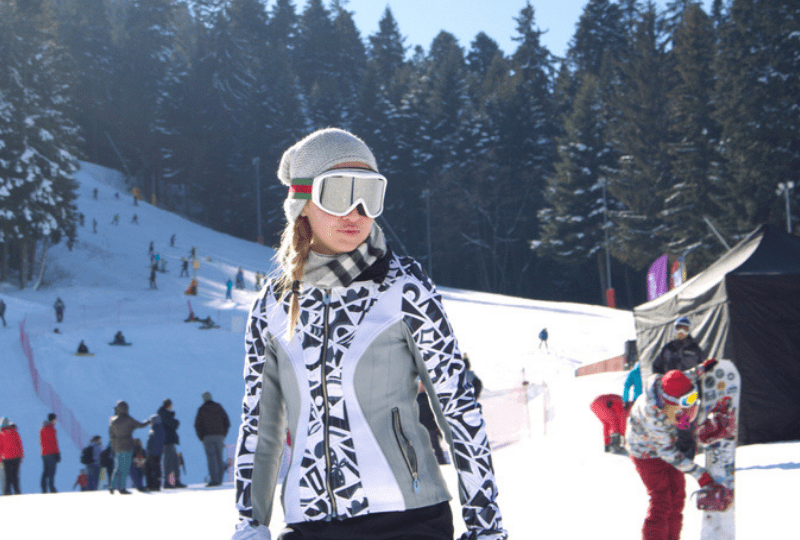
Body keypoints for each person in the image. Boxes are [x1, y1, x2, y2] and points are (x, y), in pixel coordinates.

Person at [230, 128, 506, 540]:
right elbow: (261, 426)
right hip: (309, 522)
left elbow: (457, 407)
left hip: (408, 519)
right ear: (302, 202)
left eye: (370, 194)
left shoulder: (405, 288)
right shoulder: (271, 305)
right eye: (339, 192)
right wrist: (249, 522)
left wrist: (486, 526)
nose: (356, 212)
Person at [626, 363, 733, 540]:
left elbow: (686, 376)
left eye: (692, 398)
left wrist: (703, 368)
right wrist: (702, 476)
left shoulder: (670, 385)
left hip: (665, 441)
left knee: (677, 496)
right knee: (662, 500)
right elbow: (668, 454)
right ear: (670, 402)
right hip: (645, 453)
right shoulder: (654, 416)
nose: (689, 405)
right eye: (685, 402)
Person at [652, 316, 707, 460]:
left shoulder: (695, 349)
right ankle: (672, 454)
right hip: (670, 393)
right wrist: (661, 381)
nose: (682, 331)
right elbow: (656, 366)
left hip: (690, 392)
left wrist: (698, 390)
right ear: (675, 330)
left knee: (686, 422)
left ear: (689, 330)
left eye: (685, 328)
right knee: (670, 422)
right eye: (679, 328)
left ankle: (687, 454)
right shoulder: (668, 348)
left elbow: (704, 369)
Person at [108, 400, 150, 494]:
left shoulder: (113, 421)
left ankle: (112, 486)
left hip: (117, 447)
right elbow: (140, 425)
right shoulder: (128, 419)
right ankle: (122, 489)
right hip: (127, 446)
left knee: (117, 467)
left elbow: (112, 436)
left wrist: (114, 448)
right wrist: (147, 422)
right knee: (125, 468)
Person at [194, 391, 230, 487]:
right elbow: (227, 421)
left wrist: (201, 437)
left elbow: (197, 425)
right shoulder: (218, 407)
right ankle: (220, 479)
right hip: (219, 436)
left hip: (207, 437)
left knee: (211, 459)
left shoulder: (202, 409)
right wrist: (223, 434)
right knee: (219, 458)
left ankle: (214, 480)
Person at [416, 380, 449, 465]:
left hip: (426, 427)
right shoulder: (428, 398)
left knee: (430, 447)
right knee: (433, 446)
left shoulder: (419, 399)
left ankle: (436, 462)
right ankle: (440, 462)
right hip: (429, 427)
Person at [158, 399, 186, 489]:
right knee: (169, 462)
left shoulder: (163, 413)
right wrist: (174, 420)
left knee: (174, 461)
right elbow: (172, 424)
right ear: (168, 406)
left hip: (169, 441)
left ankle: (174, 481)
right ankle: (168, 482)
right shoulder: (163, 414)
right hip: (167, 441)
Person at [0, 417, 23, 494]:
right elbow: (19, 445)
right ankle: (17, 492)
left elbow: (0, 448)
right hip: (16, 457)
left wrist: (0, 461)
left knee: (7, 477)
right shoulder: (15, 432)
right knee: (15, 476)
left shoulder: (1, 435)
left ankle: (7, 493)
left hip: (6, 458)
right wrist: (21, 456)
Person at [39, 413, 60, 493]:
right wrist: (57, 453)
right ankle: (52, 488)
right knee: (52, 471)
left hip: (44, 453)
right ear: (53, 419)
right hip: (51, 453)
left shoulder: (42, 428)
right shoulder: (51, 429)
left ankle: (43, 487)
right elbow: (54, 442)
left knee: (45, 471)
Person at [145, 414, 165, 491]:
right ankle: (154, 485)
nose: (150, 423)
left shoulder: (156, 430)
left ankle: (153, 486)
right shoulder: (157, 429)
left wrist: (151, 452)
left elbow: (155, 443)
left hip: (153, 453)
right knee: (153, 469)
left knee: (151, 469)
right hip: (155, 453)